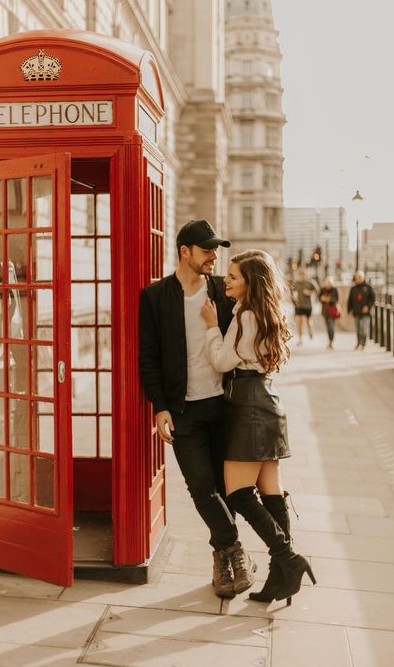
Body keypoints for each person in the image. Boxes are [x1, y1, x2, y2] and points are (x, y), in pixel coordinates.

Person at [139, 220, 257, 599]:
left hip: (224, 406)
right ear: (184, 252)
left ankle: (222, 561)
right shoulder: (156, 296)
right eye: (207, 250)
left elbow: (260, 315)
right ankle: (235, 550)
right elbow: (149, 356)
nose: (214, 256)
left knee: (225, 489)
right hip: (184, 410)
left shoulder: (224, 291)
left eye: (216, 250)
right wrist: (160, 408)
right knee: (201, 487)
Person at [200, 250, 316, 605]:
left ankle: (288, 559)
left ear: (251, 282)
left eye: (233, 276)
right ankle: (281, 577)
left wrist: (209, 326)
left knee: (238, 494)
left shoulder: (245, 315)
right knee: (271, 494)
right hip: (266, 400)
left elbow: (221, 361)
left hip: (247, 404)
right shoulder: (266, 313)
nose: (226, 281)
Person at [347, 270, 375, 350]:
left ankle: (363, 343)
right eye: (357, 277)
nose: (358, 279)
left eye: (360, 277)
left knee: (364, 329)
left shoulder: (368, 288)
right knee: (358, 329)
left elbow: (372, 299)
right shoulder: (353, 288)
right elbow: (350, 300)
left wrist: (368, 306)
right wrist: (349, 310)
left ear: (363, 278)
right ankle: (358, 342)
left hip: (365, 313)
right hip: (356, 311)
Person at [292, 269, 319, 345]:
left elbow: (317, 291)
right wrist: (293, 297)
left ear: (306, 275)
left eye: (303, 275)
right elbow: (293, 291)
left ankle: (310, 332)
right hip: (298, 305)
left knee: (308, 321)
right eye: (300, 275)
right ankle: (300, 338)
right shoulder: (296, 283)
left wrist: (309, 293)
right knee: (299, 322)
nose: (302, 276)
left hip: (308, 305)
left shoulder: (310, 282)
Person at [319, 276, 340, 349]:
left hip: (332, 311)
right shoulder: (322, 289)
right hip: (325, 311)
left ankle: (331, 341)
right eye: (327, 283)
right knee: (328, 327)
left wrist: (329, 299)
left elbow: (336, 299)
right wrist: (322, 299)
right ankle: (329, 341)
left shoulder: (334, 290)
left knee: (331, 326)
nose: (328, 284)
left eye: (329, 283)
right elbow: (319, 298)